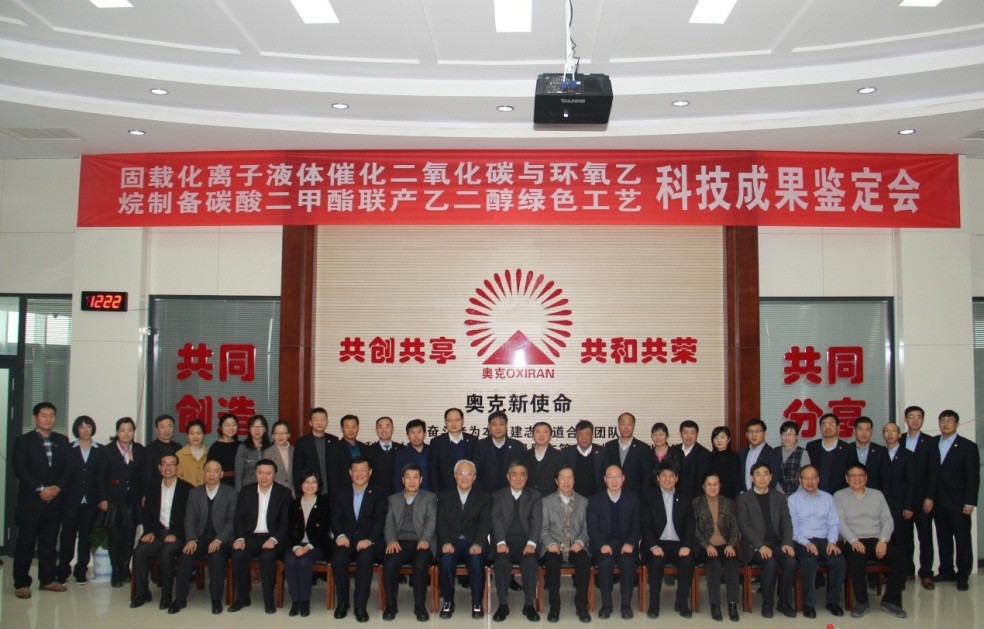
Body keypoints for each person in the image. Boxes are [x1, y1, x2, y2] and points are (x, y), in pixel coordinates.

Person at [12, 401, 72, 599]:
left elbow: (68, 468)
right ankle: (22, 583)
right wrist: (41, 489)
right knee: (26, 542)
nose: (48, 419)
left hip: (54, 501)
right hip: (31, 501)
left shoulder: (62, 440)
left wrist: (56, 488)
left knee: (49, 541)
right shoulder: (24, 441)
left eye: (51, 415)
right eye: (44, 415)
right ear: (35, 418)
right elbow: (20, 469)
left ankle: (47, 579)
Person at [834, 463, 907, 619]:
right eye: (853, 476)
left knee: (899, 559)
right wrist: (853, 540)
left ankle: (890, 601)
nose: (857, 478)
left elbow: (887, 520)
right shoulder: (839, 496)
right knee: (856, 561)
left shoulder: (877, 495)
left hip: (876, 539)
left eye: (860, 475)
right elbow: (840, 523)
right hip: (854, 540)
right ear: (847, 479)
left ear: (866, 477)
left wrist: (883, 540)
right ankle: (862, 602)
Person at [171, 459, 238, 615]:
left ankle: (216, 599)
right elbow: (189, 519)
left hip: (222, 539)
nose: (212, 474)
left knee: (216, 556)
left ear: (221, 474)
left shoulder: (231, 493)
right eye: (208, 471)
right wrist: (191, 539)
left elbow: (232, 521)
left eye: (216, 471)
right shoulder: (194, 493)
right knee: (185, 555)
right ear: (203, 473)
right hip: (199, 538)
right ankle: (180, 598)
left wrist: (219, 539)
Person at [229, 458, 292, 614]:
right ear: (255, 473)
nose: (264, 477)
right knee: (238, 555)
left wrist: (273, 539)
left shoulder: (284, 493)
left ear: (274, 475)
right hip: (251, 537)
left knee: (267, 557)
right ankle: (242, 598)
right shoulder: (247, 491)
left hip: (273, 537)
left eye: (268, 473)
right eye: (260, 473)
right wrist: (240, 538)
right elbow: (239, 518)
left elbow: (285, 523)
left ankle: (268, 600)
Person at [130, 453, 193, 609]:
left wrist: (176, 533)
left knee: (166, 553)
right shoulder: (152, 488)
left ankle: (166, 596)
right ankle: (142, 593)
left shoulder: (187, 489)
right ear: (159, 468)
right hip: (157, 533)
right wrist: (149, 531)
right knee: (139, 552)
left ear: (177, 467)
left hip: (178, 534)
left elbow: (190, 517)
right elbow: (148, 514)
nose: (168, 467)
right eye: (164, 464)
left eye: (171, 464)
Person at [736, 462, 797, 618]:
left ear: (770, 477)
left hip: (777, 543)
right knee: (770, 562)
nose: (762, 478)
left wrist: (787, 543)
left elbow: (786, 522)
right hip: (755, 546)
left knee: (791, 562)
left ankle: (784, 602)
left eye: (765, 474)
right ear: (752, 478)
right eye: (758, 474)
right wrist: (760, 546)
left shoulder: (780, 497)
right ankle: (767, 603)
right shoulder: (744, 498)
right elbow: (744, 526)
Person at [330, 456, 387, 622]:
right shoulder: (341, 492)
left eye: (363, 470)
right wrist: (340, 535)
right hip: (346, 540)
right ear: (350, 472)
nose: (359, 474)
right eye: (355, 470)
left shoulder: (379, 492)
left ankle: (360, 606)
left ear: (370, 472)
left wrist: (369, 540)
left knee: (365, 559)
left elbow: (380, 520)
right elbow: (335, 518)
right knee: (338, 559)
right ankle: (343, 602)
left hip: (369, 542)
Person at [787, 464, 846, 619]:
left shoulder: (827, 498)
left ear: (818, 479)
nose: (810, 481)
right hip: (802, 541)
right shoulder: (793, 500)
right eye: (806, 478)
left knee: (839, 561)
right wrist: (806, 543)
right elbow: (793, 529)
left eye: (813, 477)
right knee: (809, 562)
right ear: (800, 480)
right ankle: (809, 604)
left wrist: (832, 542)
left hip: (825, 540)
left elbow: (834, 523)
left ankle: (832, 601)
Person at [931, 409, 979, 591]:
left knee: (962, 539)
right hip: (938, 501)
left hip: (959, 503)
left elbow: (973, 477)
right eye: (942, 420)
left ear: (957, 424)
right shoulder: (932, 443)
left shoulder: (968, 446)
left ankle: (963, 574)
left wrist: (970, 502)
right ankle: (946, 571)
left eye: (949, 420)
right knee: (943, 537)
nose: (945, 424)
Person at [382, 463, 437, 622]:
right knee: (390, 563)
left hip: (422, 542)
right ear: (402, 480)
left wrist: (425, 539)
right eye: (408, 477)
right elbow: (388, 523)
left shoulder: (430, 498)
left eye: (415, 477)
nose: (412, 481)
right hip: (399, 542)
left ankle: (419, 606)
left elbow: (431, 521)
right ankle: (390, 605)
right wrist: (391, 540)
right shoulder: (393, 499)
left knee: (420, 564)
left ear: (421, 480)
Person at [436, 459, 490, 619]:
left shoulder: (484, 496)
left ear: (474, 477)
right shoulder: (444, 496)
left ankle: (477, 603)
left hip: (474, 542)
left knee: (476, 560)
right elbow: (440, 521)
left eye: (468, 474)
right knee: (446, 559)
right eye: (461, 473)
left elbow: (485, 522)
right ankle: (448, 601)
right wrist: (445, 542)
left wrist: (478, 543)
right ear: (455, 476)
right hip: (451, 542)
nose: (465, 477)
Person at [490, 460, 542, 622]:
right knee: (501, 563)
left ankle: (529, 605)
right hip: (505, 543)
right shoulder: (498, 496)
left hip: (526, 544)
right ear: (508, 477)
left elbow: (536, 521)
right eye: (514, 474)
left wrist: (531, 543)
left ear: (526, 477)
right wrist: (500, 542)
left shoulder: (534, 496)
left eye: (522, 475)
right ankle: (503, 605)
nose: (518, 478)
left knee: (530, 564)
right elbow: (496, 520)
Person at [586, 464, 640, 620]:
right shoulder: (595, 500)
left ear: (623, 478)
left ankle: (626, 605)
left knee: (627, 563)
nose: (614, 480)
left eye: (618, 476)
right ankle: (606, 605)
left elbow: (637, 525)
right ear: (605, 479)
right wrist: (601, 544)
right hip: (604, 545)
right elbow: (592, 527)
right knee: (605, 563)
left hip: (625, 544)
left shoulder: (633, 499)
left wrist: (630, 543)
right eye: (610, 477)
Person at [641, 463, 695, 618]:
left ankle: (682, 603)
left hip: (679, 544)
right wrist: (653, 546)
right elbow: (645, 524)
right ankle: (654, 605)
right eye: (663, 475)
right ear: (658, 478)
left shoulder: (684, 496)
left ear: (676, 478)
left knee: (688, 561)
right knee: (656, 562)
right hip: (657, 543)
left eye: (671, 476)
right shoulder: (649, 495)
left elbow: (690, 524)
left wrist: (687, 545)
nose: (667, 479)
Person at [540, 466, 591, 623]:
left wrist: (580, 542)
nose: (566, 481)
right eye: (562, 477)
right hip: (554, 546)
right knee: (552, 562)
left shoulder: (584, 501)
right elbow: (542, 529)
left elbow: (587, 529)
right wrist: (550, 544)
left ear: (574, 480)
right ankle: (555, 607)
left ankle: (581, 606)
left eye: (570, 477)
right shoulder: (546, 501)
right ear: (557, 480)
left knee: (584, 562)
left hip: (576, 545)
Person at [57, 414, 103, 586]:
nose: (85, 430)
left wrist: (101, 499)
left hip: (91, 502)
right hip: (70, 501)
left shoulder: (100, 450)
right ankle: (63, 571)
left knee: (86, 538)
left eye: (88, 426)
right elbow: (62, 475)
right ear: (77, 429)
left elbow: (101, 477)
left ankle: (81, 571)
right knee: (67, 537)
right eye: (82, 427)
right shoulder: (68, 449)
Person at [100, 416, 144, 588]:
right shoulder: (107, 450)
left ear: (134, 432)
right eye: (123, 430)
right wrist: (103, 498)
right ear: (117, 432)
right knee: (115, 537)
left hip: (133, 500)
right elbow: (101, 477)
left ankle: (126, 568)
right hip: (114, 500)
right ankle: (116, 571)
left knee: (129, 537)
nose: (126, 433)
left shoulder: (139, 449)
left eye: (130, 430)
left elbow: (143, 475)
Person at [692, 472, 740, 622]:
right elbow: (694, 529)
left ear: (719, 486)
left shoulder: (727, 502)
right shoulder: (696, 503)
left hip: (725, 546)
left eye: (715, 484)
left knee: (732, 563)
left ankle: (732, 604)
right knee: (714, 564)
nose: (712, 487)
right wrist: (707, 545)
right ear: (703, 486)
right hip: (705, 546)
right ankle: (715, 604)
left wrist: (731, 544)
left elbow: (734, 527)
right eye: (709, 484)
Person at [899, 405, 937, 588]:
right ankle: (907, 571)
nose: (915, 420)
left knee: (925, 538)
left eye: (918, 417)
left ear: (922, 420)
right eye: (911, 417)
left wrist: (929, 497)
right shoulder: (899, 439)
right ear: (905, 420)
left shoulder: (930, 442)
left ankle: (926, 573)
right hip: (904, 499)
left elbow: (933, 472)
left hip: (923, 499)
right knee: (904, 538)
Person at [285, 469, 331, 617]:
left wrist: (307, 548)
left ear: (319, 484)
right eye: (306, 482)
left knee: (304, 562)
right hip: (297, 544)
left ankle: (304, 601)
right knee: (290, 561)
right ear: (301, 484)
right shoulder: (294, 503)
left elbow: (323, 530)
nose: (310, 486)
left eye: (313, 482)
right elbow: (290, 528)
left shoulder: (324, 503)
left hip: (317, 545)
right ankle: (295, 601)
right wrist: (296, 547)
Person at [881, 422, 917, 573]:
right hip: (883, 505)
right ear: (883, 435)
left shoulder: (908, 455)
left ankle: (906, 571)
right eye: (886, 431)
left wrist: (909, 506)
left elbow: (912, 483)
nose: (890, 434)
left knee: (903, 539)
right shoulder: (880, 453)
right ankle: (888, 572)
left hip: (902, 505)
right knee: (887, 539)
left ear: (899, 434)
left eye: (893, 431)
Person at [475, 410, 526, 493]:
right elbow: (475, 472)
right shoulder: (480, 446)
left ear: (506, 426)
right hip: (486, 494)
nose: (498, 428)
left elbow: (522, 472)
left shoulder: (517, 446)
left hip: (510, 494)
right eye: (494, 424)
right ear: (489, 427)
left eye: (501, 424)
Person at [292, 407, 339, 496]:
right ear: (310, 422)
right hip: (310, 492)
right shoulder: (302, 442)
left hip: (332, 493)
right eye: (316, 420)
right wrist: (300, 495)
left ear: (327, 422)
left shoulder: (334, 440)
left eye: (323, 419)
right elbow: (297, 471)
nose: (320, 422)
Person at [430, 407, 478, 493]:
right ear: (445, 422)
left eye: (457, 420)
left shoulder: (473, 441)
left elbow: (476, 468)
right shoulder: (437, 442)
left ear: (463, 421)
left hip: (469, 489)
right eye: (449, 420)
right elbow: (434, 471)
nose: (453, 423)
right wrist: (436, 493)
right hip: (445, 491)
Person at [603, 412, 652, 495]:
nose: (626, 427)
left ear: (634, 426)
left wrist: (644, 497)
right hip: (613, 495)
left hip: (635, 496)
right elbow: (605, 471)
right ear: (618, 426)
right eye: (623, 424)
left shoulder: (643, 448)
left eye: (629, 424)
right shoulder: (609, 446)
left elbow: (647, 477)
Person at [805, 413, 851, 494]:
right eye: (824, 425)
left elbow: (851, 474)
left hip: (839, 494)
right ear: (820, 428)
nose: (827, 427)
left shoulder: (847, 449)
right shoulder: (811, 447)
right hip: (815, 493)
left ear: (838, 428)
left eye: (831, 424)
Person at [562, 420, 607, 498]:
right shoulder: (567, 453)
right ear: (576, 436)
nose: (584, 438)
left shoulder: (602, 452)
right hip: (574, 499)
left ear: (592, 435)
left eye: (587, 434)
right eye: (581, 434)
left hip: (597, 498)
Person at [141, 414, 181, 500]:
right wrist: (145, 494)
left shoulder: (178, 447)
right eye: (162, 427)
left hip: (175, 490)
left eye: (170, 426)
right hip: (156, 492)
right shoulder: (149, 449)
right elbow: (146, 475)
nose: (167, 430)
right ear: (156, 430)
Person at [670, 420, 710, 502]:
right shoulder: (674, 451)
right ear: (680, 434)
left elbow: (703, 481)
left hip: (695, 499)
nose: (689, 436)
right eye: (685, 432)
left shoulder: (704, 454)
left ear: (697, 435)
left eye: (692, 433)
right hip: (675, 498)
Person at [738, 418, 781, 493]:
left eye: (757, 431)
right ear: (747, 435)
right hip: (744, 496)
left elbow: (773, 480)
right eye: (750, 431)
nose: (754, 435)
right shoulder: (742, 453)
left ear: (764, 433)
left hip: (763, 496)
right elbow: (738, 477)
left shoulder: (773, 454)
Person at [846, 416, 889, 490]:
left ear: (871, 431)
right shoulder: (846, 450)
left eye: (867, 430)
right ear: (854, 431)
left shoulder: (881, 451)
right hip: (850, 494)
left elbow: (886, 479)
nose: (864, 433)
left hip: (874, 494)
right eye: (860, 429)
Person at [367, 415, 404, 496]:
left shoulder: (402, 449)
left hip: (399, 495)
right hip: (376, 496)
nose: (384, 430)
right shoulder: (368, 451)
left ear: (393, 429)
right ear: (376, 430)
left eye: (387, 426)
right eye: (380, 427)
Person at [523, 421, 564, 494]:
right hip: (528, 498)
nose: (541, 435)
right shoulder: (525, 455)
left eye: (545, 432)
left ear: (550, 436)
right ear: (533, 436)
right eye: (538, 432)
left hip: (551, 498)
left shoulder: (559, 456)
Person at [393, 419, 432, 492]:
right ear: (407, 435)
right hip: (408, 495)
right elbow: (398, 479)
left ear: (425, 434)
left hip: (430, 495)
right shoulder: (401, 454)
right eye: (412, 432)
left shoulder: (432, 451)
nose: (416, 436)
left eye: (419, 432)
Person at [235, 414, 271, 491]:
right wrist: (239, 493)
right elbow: (238, 475)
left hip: (267, 489)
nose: (257, 429)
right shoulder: (243, 448)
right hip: (248, 489)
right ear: (249, 429)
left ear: (265, 429)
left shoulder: (270, 447)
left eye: (260, 426)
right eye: (254, 426)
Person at [777, 420, 810, 496]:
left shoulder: (803, 453)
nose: (787, 437)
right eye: (784, 434)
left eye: (790, 434)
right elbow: (772, 474)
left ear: (796, 436)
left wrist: (796, 496)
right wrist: (779, 491)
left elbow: (806, 476)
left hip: (798, 494)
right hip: (778, 494)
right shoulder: (775, 451)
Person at [708, 426, 741, 500]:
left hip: (729, 496)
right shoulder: (708, 457)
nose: (719, 440)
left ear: (729, 439)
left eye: (722, 437)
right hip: (711, 495)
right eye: (715, 438)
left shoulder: (734, 457)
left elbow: (735, 479)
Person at [208, 413, 241, 487]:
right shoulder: (215, 447)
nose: (231, 428)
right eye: (227, 425)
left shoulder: (241, 446)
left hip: (239, 483)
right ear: (220, 427)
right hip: (220, 484)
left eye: (234, 425)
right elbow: (211, 469)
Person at [264, 420, 295, 495]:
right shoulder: (268, 452)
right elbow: (266, 476)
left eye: (283, 433)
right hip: (275, 493)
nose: (280, 436)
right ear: (273, 436)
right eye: (277, 433)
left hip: (293, 493)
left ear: (288, 435)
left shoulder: (295, 450)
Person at [175, 419, 208, 487]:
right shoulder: (179, 455)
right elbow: (177, 477)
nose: (195, 436)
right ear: (187, 435)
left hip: (206, 492)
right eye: (191, 433)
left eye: (199, 433)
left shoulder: (210, 454)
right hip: (186, 491)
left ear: (204, 435)